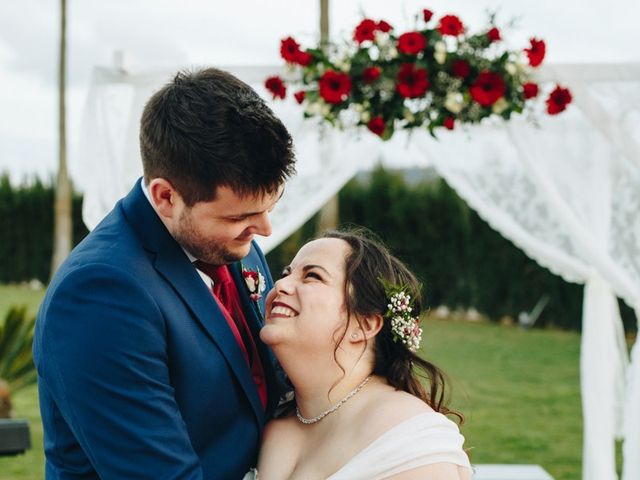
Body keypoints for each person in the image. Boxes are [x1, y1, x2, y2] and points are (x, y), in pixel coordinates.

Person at [33, 67, 295, 479]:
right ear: (166, 196)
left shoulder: (234, 242)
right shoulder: (100, 296)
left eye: (270, 206)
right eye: (242, 215)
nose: (264, 230)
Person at [252, 229, 472, 479]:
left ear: (364, 325)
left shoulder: (408, 436)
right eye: (285, 274)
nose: (280, 285)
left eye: (312, 276)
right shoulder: (273, 427)